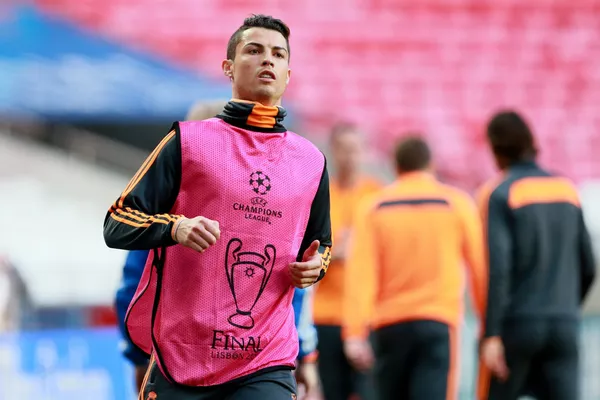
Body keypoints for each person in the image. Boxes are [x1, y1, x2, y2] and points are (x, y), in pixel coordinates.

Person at [103, 14, 332, 400]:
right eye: (254, 50)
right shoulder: (187, 142)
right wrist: (175, 227)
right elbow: (116, 221)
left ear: (288, 74)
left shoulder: (311, 162)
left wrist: (315, 267)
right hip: (181, 359)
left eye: (278, 54)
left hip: (265, 360)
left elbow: (320, 244)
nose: (268, 60)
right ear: (228, 67)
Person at [343, 136, 487, 400]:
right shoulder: (456, 203)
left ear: (396, 167)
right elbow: (479, 268)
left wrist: (354, 332)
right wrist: (488, 323)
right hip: (438, 321)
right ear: (431, 165)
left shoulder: (374, 207)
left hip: (389, 324)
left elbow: (361, 274)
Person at [476, 111, 596, 400]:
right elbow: (589, 265)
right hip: (563, 324)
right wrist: (566, 309)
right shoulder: (566, 189)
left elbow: (500, 269)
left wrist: (492, 334)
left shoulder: (503, 193)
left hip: (519, 324)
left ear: (496, 149)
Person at [115, 250, 320, 397]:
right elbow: (296, 285)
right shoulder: (281, 209)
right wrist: (305, 353)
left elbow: (133, 287)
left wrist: (139, 355)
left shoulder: (172, 207)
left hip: (181, 361)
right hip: (259, 361)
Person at [311, 123, 381, 400]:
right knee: (332, 391)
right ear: (333, 151)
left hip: (366, 315)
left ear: (364, 152)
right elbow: (309, 249)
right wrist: (339, 250)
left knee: (369, 391)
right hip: (326, 313)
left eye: (355, 149)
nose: (349, 156)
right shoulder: (321, 195)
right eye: (343, 149)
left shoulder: (376, 195)